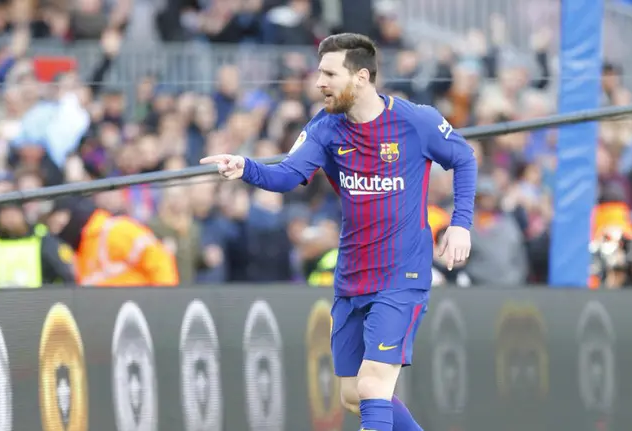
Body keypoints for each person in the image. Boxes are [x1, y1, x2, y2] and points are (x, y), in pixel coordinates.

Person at [202, 33, 477, 431]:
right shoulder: (326, 127)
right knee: (352, 395)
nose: (320, 83)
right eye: (320, 73)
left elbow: (464, 158)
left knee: (372, 385)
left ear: (361, 77)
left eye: (330, 74)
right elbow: (288, 175)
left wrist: (461, 224)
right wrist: (247, 167)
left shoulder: (416, 120)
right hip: (351, 280)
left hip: (401, 277)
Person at [45, 197, 179, 287]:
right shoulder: (80, 251)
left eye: (59, 222)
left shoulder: (115, 230)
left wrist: (163, 304)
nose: (58, 229)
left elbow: (159, 259)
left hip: (140, 313)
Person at [0, 204, 76, 289]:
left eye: (13, 214)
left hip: (31, 301)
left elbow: (63, 271)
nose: (10, 220)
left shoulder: (40, 237)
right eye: (5, 214)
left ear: (22, 215)